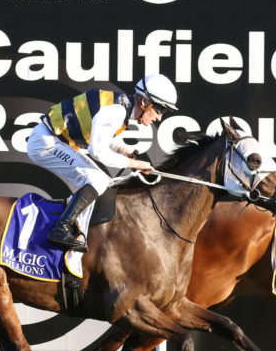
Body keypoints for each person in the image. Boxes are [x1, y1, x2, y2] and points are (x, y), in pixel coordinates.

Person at [27, 74, 178, 252]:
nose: (159, 118)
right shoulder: (116, 111)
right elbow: (97, 151)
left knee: (101, 181)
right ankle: (61, 228)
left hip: (54, 141)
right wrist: (134, 164)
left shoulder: (121, 108)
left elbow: (106, 138)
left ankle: (72, 225)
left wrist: (127, 152)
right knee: (97, 181)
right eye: (160, 110)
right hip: (46, 143)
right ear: (145, 102)